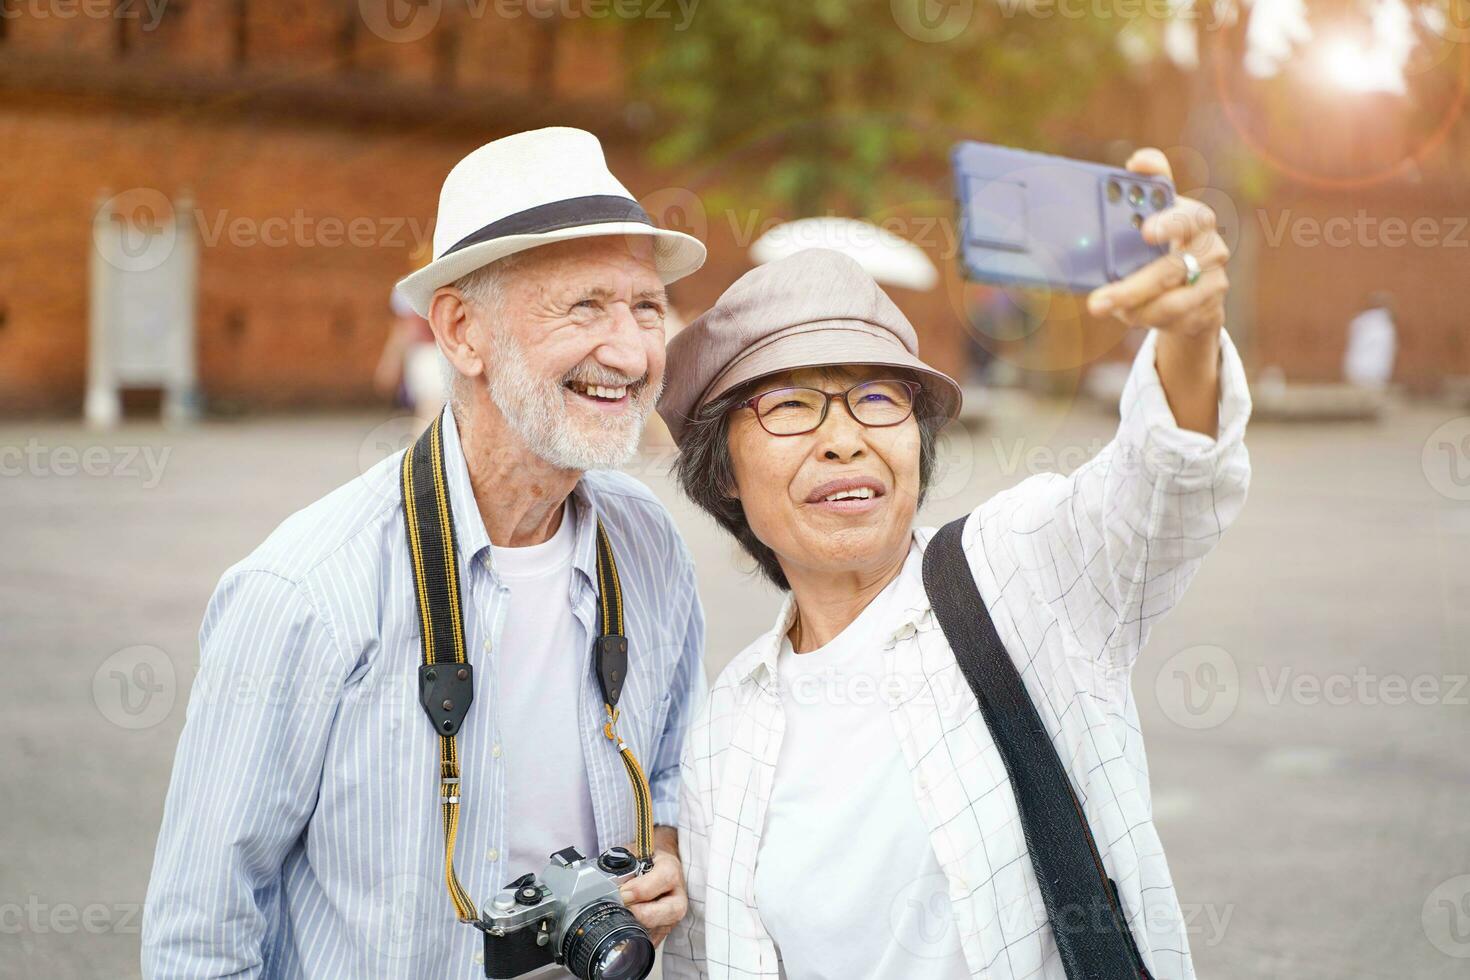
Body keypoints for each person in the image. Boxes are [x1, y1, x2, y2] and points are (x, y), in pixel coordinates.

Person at [658, 149, 1251, 980]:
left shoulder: (1019, 573)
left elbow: (1166, 488)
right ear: (723, 469)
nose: (844, 436)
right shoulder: (728, 727)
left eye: (877, 396)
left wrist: (1190, 336)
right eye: (790, 404)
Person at [142, 127, 708, 978]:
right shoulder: (305, 589)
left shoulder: (648, 540)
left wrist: (660, 847)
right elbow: (200, 931)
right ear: (462, 332)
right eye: (585, 305)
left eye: (645, 307)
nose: (629, 352)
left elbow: (672, 762)